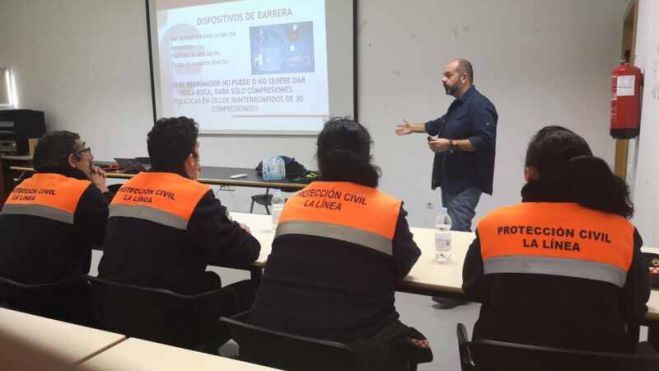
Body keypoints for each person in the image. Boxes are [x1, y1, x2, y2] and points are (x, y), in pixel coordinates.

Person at [249, 118, 432, 369]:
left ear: (321, 158)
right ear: (366, 157)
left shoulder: (295, 202)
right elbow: (403, 264)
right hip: (347, 352)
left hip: (275, 344)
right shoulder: (386, 209)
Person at [463, 126, 650, 356]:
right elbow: (634, 309)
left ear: (529, 174)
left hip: (503, 363)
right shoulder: (622, 232)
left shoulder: (493, 225)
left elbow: (473, 290)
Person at [98, 117, 260, 344]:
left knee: (209, 279)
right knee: (257, 289)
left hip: (114, 309)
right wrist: (238, 230)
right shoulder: (193, 195)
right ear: (190, 158)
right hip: (170, 318)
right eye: (197, 155)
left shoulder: (125, 189)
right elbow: (247, 251)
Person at [396, 58, 497, 309]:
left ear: (464, 77)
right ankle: (460, 284)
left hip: (467, 180)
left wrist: (449, 144)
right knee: (453, 229)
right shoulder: (457, 107)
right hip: (451, 179)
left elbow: (484, 141)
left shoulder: (480, 106)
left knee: (458, 231)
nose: (443, 79)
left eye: (448, 74)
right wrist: (414, 128)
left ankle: (458, 290)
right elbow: (438, 124)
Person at [0, 131, 111, 323]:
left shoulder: (20, 187)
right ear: (72, 161)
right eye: (86, 150)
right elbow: (109, 237)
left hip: (10, 297)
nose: (91, 157)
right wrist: (103, 191)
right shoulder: (81, 190)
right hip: (58, 301)